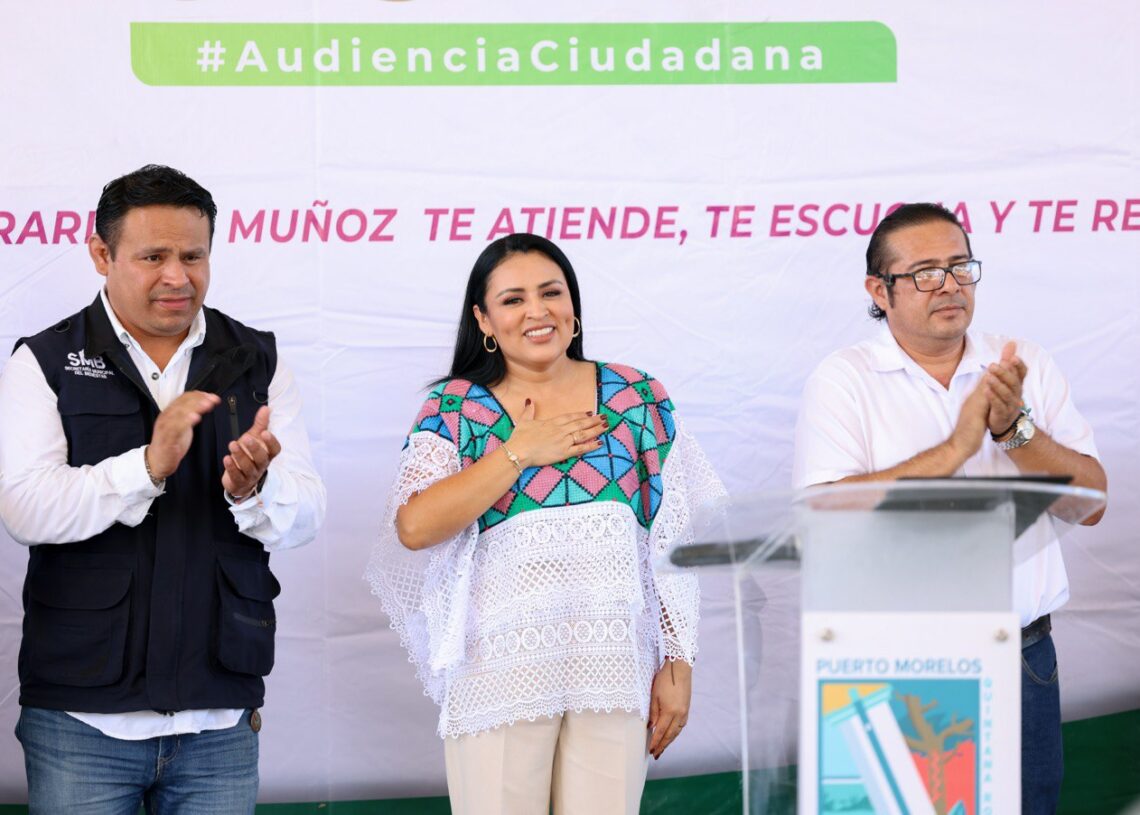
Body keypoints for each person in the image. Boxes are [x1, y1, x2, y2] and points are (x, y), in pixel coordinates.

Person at [0, 164, 326, 814]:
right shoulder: (46, 359)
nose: (177, 277)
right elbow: (25, 508)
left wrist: (254, 488)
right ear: (102, 254)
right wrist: (147, 467)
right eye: (153, 257)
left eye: (193, 256)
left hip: (219, 720)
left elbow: (309, 515)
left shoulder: (256, 358)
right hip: (80, 721)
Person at [366, 233, 724, 814]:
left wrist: (678, 660)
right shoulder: (456, 407)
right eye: (513, 300)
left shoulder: (636, 398)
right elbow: (414, 526)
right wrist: (518, 451)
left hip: (614, 666)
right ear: (484, 320)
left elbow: (674, 538)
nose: (537, 311)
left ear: (573, 306)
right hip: (500, 673)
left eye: (551, 293)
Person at [792, 202, 1106, 813]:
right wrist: (957, 447)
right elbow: (823, 516)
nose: (950, 285)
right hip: (895, 659)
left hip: (1020, 655)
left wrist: (1014, 431)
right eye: (925, 273)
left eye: (961, 267)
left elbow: (1090, 503)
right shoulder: (844, 379)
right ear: (878, 291)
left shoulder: (1020, 364)